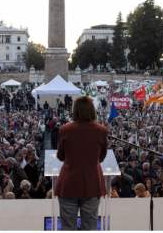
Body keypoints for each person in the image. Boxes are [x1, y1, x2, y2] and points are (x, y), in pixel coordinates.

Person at [54, 96, 108, 231]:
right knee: (89, 227)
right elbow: (101, 157)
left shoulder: (65, 129)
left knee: (68, 227)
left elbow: (60, 156)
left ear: (75, 110)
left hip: (68, 184)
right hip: (92, 183)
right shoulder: (102, 130)